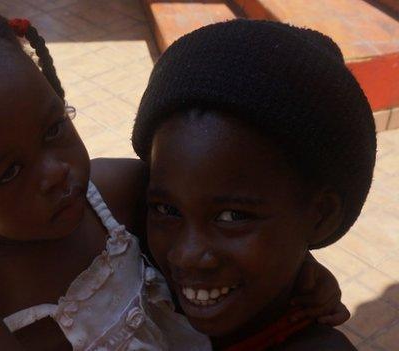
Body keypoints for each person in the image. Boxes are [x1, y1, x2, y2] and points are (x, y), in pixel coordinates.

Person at [0, 13, 349, 351]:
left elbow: (215, 214)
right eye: (9, 172)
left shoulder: (109, 195)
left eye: (54, 129)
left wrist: (298, 267)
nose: (55, 171)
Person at [131, 19, 375, 350]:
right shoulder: (137, 275)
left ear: (320, 216)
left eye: (232, 217)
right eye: (167, 209)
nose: (187, 255)